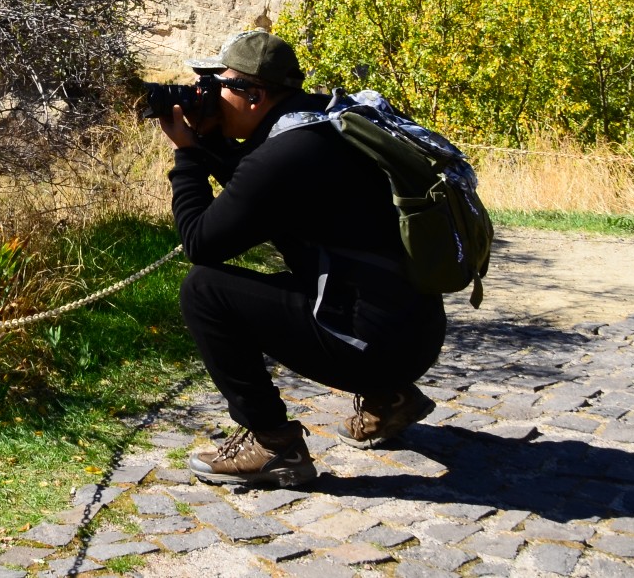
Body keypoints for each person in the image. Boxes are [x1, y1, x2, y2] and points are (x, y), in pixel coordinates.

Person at [162, 29, 446, 488]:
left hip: (373, 347)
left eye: (219, 84)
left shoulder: (285, 155)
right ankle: (389, 398)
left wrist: (188, 156)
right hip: (414, 332)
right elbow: (254, 182)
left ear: (253, 95)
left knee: (205, 288)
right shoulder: (322, 122)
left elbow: (200, 241)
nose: (209, 95)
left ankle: (274, 445)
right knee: (325, 280)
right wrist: (208, 142)